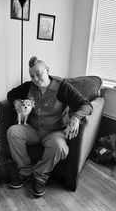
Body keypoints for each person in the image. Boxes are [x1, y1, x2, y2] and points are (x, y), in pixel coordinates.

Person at [7, 56, 93, 197]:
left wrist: (76, 118)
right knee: (13, 132)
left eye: (38, 73)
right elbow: (11, 94)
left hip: (55, 132)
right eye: (32, 75)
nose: (35, 78)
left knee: (59, 147)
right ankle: (26, 171)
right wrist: (16, 102)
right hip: (33, 129)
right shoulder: (29, 86)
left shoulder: (62, 87)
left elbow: (86, 105)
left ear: (47, 70)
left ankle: (40, 176)